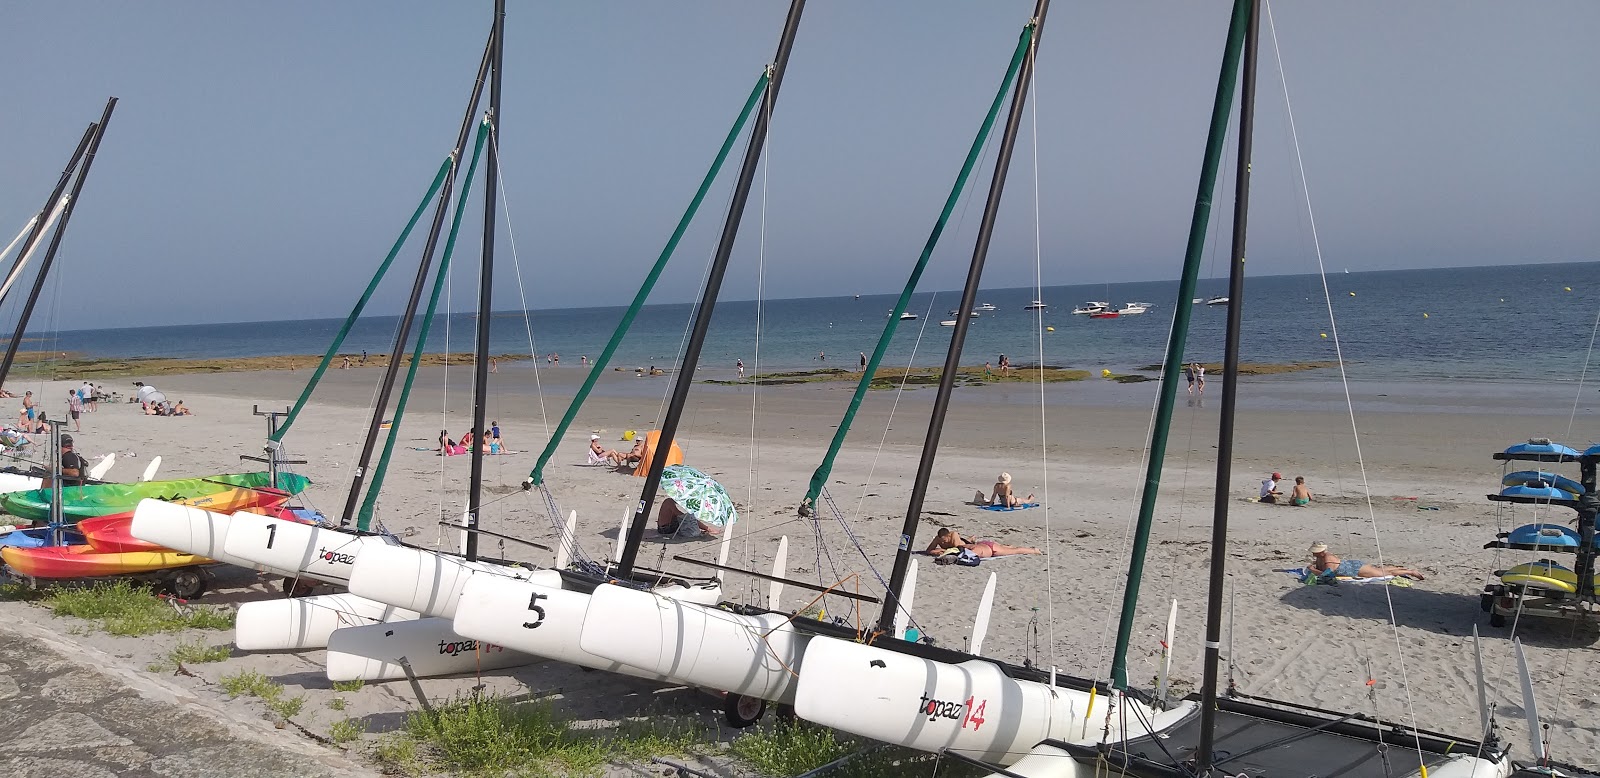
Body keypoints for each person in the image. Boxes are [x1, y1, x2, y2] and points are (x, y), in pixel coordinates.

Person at [1307, 542, 1423, 580]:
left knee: (1383, 574)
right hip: (1352, 565)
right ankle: (1401, 569)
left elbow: (1328, 575)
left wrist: (1312, 570)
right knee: (1379, 570)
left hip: (1355, 569)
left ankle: (1411, 572)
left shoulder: (1328, 558)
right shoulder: (1320, 557)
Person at [926, 527, 1040, 559]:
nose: (943, 542)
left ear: (948, 535)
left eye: (944, 540)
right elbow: (928, 550)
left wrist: (942, 551)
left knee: (1014, 551)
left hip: (987, 547)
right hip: (984, 546)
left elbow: (958, 549)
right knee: (1006, 549)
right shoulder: (938, 539)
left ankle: (1034, 550)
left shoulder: (954, 535)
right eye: (941, 540)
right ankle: (1006, 546)